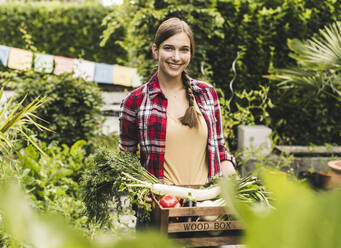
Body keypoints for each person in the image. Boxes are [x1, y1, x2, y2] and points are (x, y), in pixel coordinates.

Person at [119, 17, 237, 186]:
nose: (176, 57)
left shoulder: (206, 94)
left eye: (184, 50)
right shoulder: (135, 101)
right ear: (155, 50)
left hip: (207, 205)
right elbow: (126, 162)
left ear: (190, 53)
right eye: (168, 48)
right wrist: (138, 192)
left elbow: (219, 149)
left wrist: (235, 182)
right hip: (161, 206)